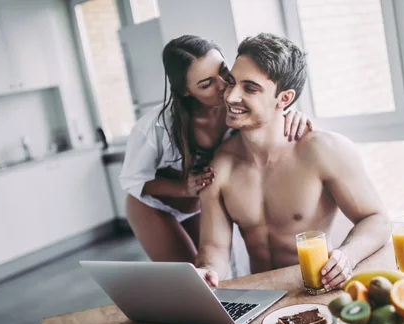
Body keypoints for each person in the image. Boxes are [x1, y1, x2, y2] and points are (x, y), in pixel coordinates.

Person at [195, 33, 390, 290]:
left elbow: (377, 219)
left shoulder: (322, 150)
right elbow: (214, 247)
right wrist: (208, 271)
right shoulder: (221, 164)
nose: (230, 97)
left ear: (284, 99)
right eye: (231, 82)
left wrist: (347, 256)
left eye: (250, 88)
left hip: (317, 290)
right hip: (262, 296)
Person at [120, 35, 313, 263]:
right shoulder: (154, 128)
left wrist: (290, 113)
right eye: (206, 84)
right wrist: (185, 188)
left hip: (198, 201)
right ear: (186, 91)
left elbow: (269, 109)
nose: (223, 87)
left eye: (223, 71)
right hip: (154, 204)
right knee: (187, 279)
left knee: (212, 272)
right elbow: (132, 181)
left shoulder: (237, 109)